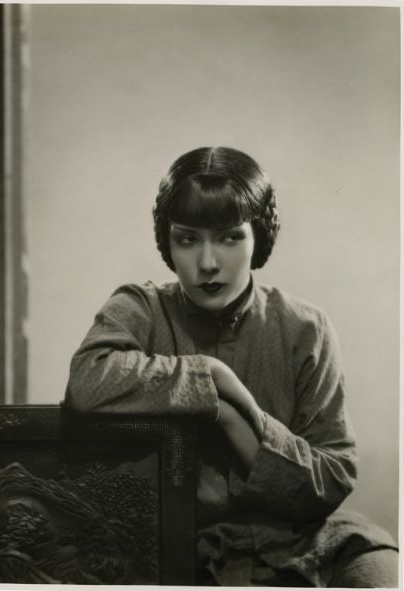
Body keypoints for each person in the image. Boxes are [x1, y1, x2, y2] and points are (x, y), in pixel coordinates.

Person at [65, 147, 398, 586]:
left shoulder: (305, 328)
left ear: (259, 237)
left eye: (229, 238)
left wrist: (232, 418)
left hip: (306, 543)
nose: (207, 263)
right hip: (185, 548)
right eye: (187, 239)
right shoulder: (141, 307)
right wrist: (208, 376)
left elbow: (332, 477)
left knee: (382, 574)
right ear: (167, 242)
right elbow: (87, 381)